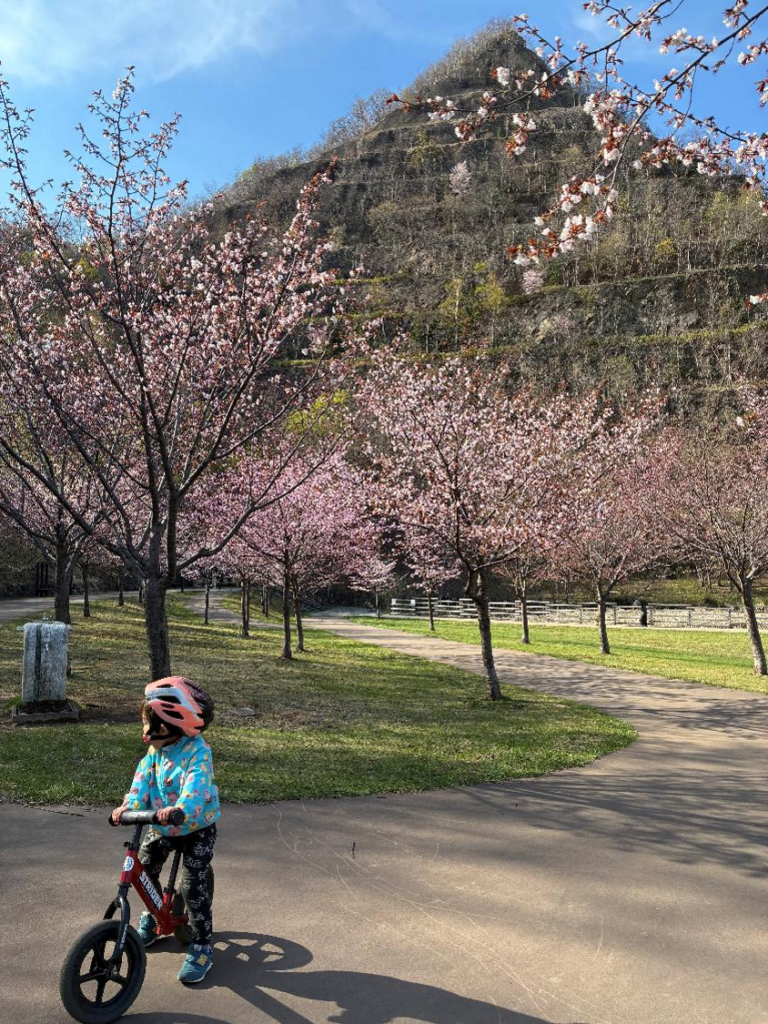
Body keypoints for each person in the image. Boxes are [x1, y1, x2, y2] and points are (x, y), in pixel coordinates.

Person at [111, 676, 220, 984]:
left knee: (193, 884)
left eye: (152, 724)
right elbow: (140, 785)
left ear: (177, 723)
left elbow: (196, 785)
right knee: (144, 867)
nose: (146, 733)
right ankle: (154, 913)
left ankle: (201, 944)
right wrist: (127, 807)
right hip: (163, 825)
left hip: (196, 826)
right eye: (146, 724)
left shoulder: (198, 752)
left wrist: (180, 809)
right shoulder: (153, 755)